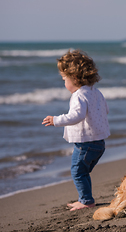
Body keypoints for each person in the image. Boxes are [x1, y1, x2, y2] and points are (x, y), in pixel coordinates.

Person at [42, 50, 110, 211]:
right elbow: (105, 110)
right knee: (83, 173)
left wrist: (56, 120)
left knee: (78, 172)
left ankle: (86, 201)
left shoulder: (79, 95)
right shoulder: (96, 92)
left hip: (85, 145)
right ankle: (85, 198)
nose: (64, 82)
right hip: (99, 143)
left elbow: (76, 116)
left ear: (74, 78)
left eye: (64, 78)